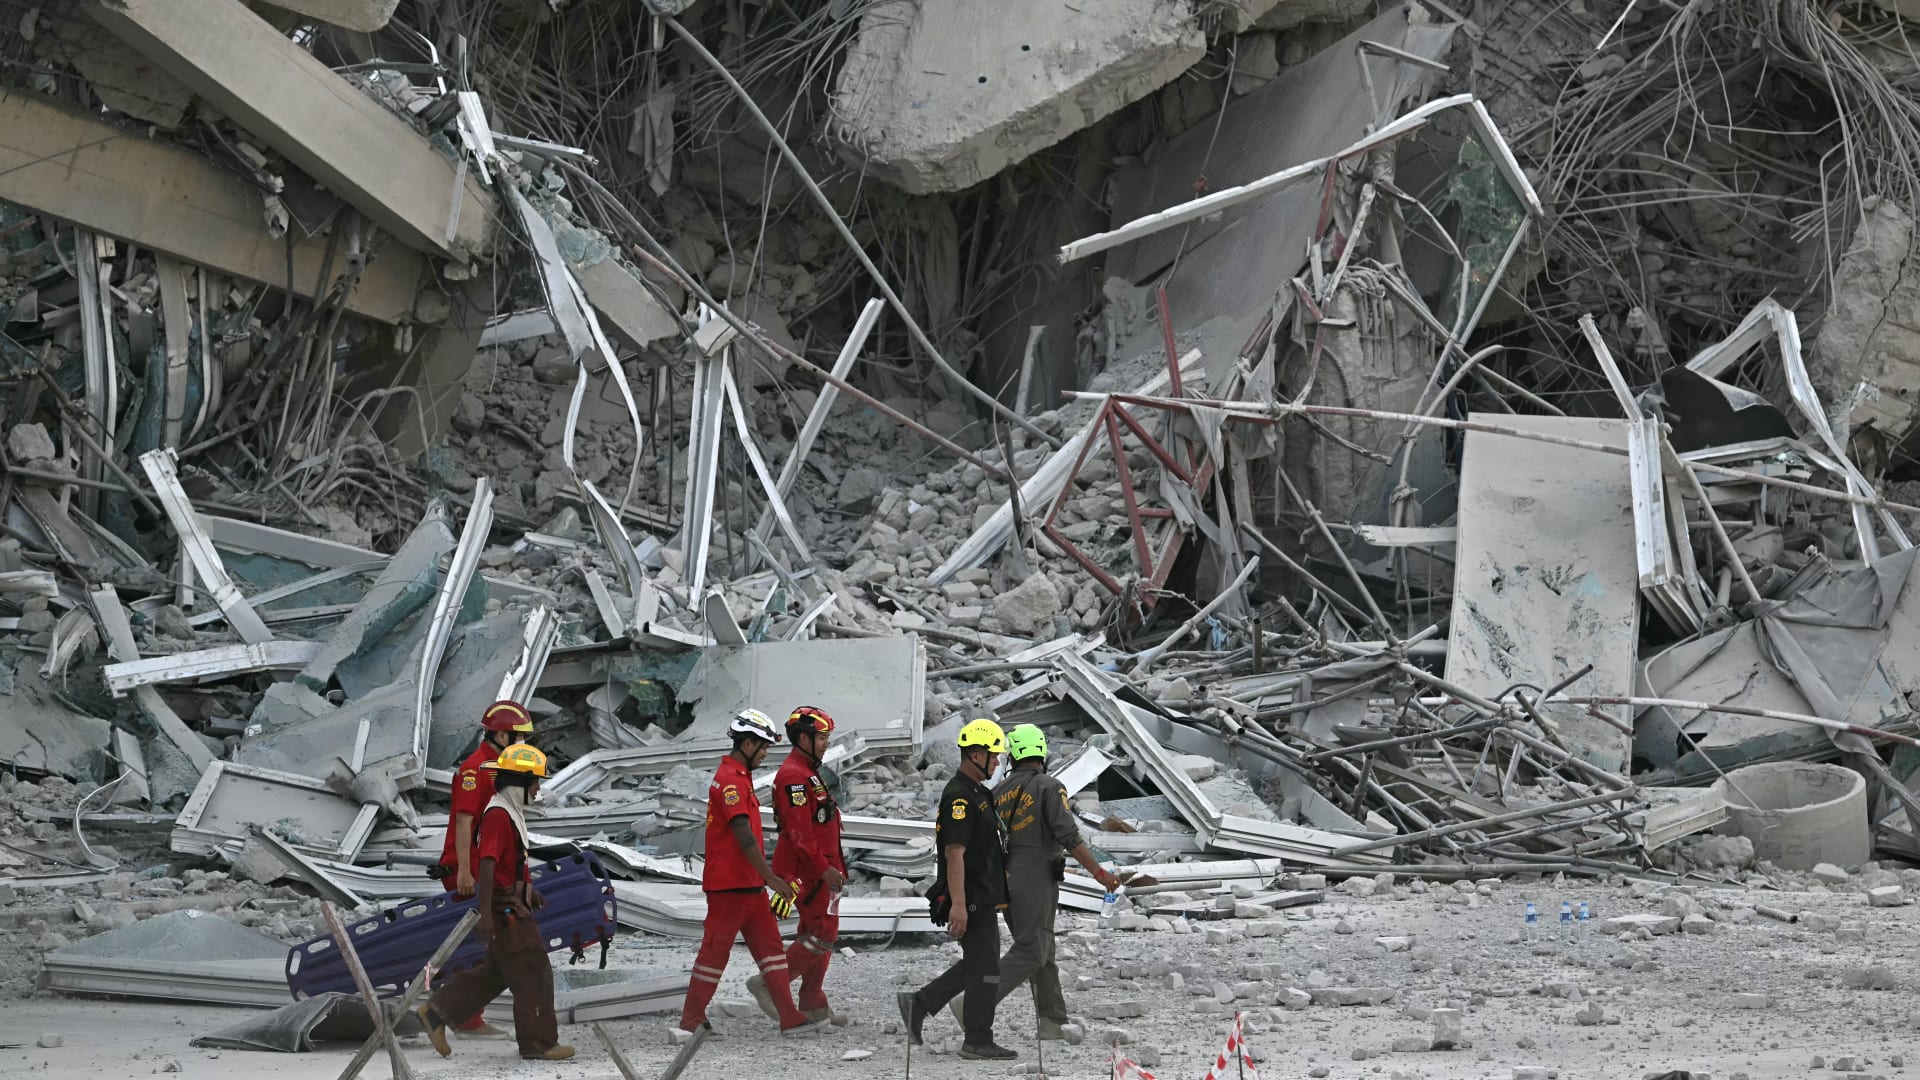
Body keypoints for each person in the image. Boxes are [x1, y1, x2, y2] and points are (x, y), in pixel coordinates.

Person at [676, 709, 830, 1038]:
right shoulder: (730, 780)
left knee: (772, 953)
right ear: (747, 744)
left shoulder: (740, 776)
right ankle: (691, 1020)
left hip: (749, 885)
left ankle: (789, 1018)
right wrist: (773, 879)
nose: (764, 754)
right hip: (730, 887)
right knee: (714, 955)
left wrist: (764, 880)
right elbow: (743, 835)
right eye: (762, 748)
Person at [417, 743, 574, 1062]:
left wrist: (528, 889)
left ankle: (437, 1011)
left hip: (510, 902)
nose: (538, 789)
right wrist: (487, 913)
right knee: (533, 972)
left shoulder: (508, 812)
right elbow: (487, 865)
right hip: (506, 909)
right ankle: (538, 1043)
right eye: (535, 782)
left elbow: (507, 864)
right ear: (520, 782)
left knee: (498, 971)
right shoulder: (499, 815)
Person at [897, 718, 1016, 1061]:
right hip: (971, 896)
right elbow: (954, 853)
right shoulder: (960, 796)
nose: (997, 761)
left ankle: (920, 1003)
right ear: (976, 754)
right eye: (993, 755)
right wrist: (959, 905)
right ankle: (977, 1039)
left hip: (982, 893)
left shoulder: (978, 792)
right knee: (987, 969)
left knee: (981, 963)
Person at [992, 723, 1120, 1039]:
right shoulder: (1050, 787)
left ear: (1013, 755)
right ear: (1041, 753)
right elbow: (1069, 836)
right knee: (1033, 949)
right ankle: (974, 1003)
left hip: (1004, 879)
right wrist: (1099, 873)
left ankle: (1052, 1020)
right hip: (1035, 878)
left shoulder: (997, 792)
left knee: (1043, 949)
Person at [431, 699, 535, 1040]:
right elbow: (464, 821)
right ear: (502, 735)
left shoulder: (500, 766)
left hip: (486, 865)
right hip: (470, 867)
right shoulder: (475, 770)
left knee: (487, 942)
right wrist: (463, 871)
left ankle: (461, 1014)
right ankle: (463, 1018)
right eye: (519, 736)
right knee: (478, 943)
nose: (523, 743)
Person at [747, 705, 848, 1025]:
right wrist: (823, 868)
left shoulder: (807, 772)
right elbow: (799, 832)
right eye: (822, 738)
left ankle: (813, 1001)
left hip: (823, 867)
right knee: (823, 930)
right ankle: (770, 984)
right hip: (809, 871)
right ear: (804, 738)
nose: (826, 743)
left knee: (814, 930)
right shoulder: (793, 776)